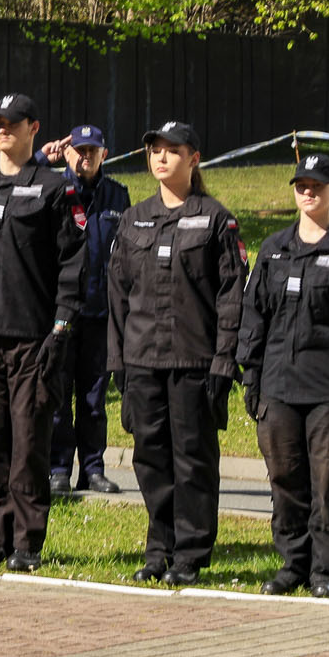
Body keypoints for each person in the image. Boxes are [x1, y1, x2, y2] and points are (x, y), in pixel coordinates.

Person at [238, 152, 329, 597]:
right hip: (278, 387)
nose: (309, 192)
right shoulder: (273, 248)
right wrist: (250, 374)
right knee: (284, 481)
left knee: (326, 486)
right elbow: (254, 315)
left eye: (317, 186)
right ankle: (292, 565)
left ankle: (325, 572)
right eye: (302, 185)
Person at [0, 93, 86, 571]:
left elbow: (72, 264)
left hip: (32, 337)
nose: (3, 129)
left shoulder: (53, 189)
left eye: (12, 122)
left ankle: (28, 543)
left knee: (29, 441)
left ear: (34, 128)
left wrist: (62, 326)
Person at [106, 120, 244, 585]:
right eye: (155, 151)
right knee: (150, 458)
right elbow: (117, 297)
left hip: (193, 361)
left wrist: (225, 361)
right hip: (142, 359)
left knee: (193, 460)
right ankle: (158, 547)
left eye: (172, 150)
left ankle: (191, 552)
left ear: (194, 158)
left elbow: (231, 297)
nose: (161, 158)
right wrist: (117, 362)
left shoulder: (216, 219)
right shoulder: (134, 218)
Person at [45, 126, 129, 495]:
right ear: (67, 153)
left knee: (94, 399)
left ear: (104, 154)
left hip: (100, 312)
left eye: (92, 150)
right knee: (59, 396)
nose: (85, 156)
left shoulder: (117, 196)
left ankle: (93, 469)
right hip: (62, 311)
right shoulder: (53, 192)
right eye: (78, 150)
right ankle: (59, 468)